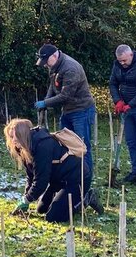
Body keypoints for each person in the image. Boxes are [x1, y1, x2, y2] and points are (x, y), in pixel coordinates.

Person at [4, 118, 101, 222]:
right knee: (41, 209)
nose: (13, 140)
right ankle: (64, 199)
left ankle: (86, 198)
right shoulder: (24, 148)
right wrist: (26, 196)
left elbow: (41, 181)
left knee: (54, 217)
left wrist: (27, 200)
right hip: (58, 180)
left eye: (14, 136)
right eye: (10, 136)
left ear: (22, 135)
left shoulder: (42, 146)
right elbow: (31, 176)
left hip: (77, 179)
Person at [33, 44, 97, 175]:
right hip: (68, 110)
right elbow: (53, 84)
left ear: (55, 55)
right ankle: (73, 172)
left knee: (81, 145)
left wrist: (45, 103)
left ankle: (86, 176)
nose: (45, 65)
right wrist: (46, 100)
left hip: (81, 110)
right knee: (66, 142)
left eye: (46, 62)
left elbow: (65, 96)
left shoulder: (70, 68)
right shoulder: (54, 64)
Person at [109, 43, 136, 187]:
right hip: (126, 109)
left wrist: (131, 104)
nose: (122, 63)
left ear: (131, 55)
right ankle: (135, 172)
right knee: (131, 142)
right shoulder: (117, 66)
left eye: (124, 60)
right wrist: (118, 101)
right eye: (120, 61)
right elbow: (113, 84)